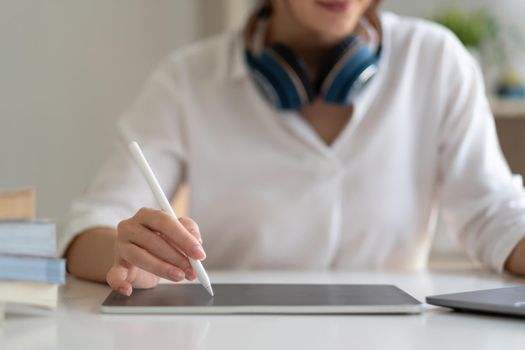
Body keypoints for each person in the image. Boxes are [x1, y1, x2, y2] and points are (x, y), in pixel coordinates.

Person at [62, 0, 525, 296]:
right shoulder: (187, 80)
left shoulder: (437, 61)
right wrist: (126, 251)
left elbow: (494, 213)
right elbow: (86, 230)